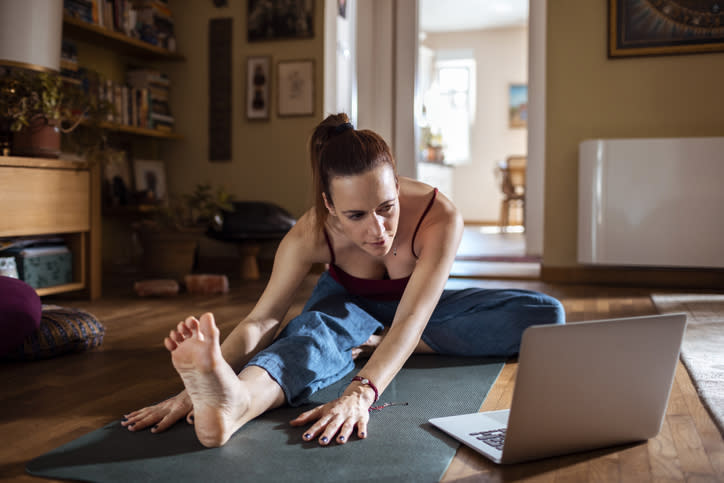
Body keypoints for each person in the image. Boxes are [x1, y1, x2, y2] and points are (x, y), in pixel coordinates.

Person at [122, 113, 565, 448]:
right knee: (310, 334)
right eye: (356, 215)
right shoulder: (308, 234)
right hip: (347, 305)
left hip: (417, 308)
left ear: (396, 182)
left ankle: (374, 343)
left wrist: (362, 391)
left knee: (544, 314)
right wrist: (195, 387)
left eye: (387, 207)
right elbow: (263, 320)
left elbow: (413, 316)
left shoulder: (439, 215)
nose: (378, 230)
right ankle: (234, 403)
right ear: (329, 206)